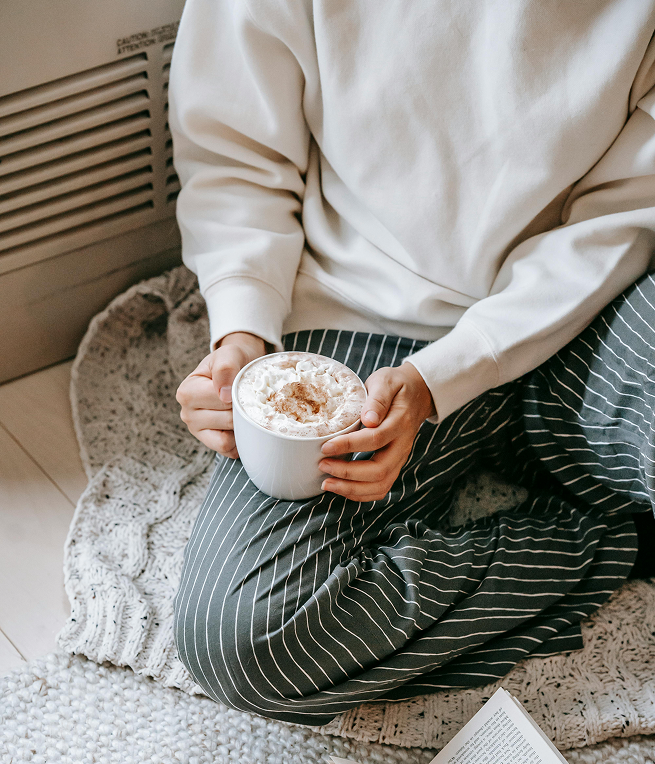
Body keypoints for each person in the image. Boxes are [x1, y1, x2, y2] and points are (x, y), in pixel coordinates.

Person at [168, 0, 655, 725]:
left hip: (587, 312)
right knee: (243, 637)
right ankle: (615, 540)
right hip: (361, 322)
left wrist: (453, 373)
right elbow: (237, 155)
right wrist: (242, 329)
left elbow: (620, 215)